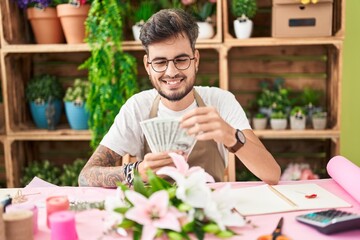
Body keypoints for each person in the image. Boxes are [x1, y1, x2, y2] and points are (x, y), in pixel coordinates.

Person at [78, 8, 281, 187]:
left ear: (196, 60)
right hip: (156, 214)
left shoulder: (220, 101)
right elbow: (86, 176)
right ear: (148, 66)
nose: (171, 71)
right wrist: (135, 172)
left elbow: (272, 174)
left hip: (210, 215)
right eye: (160, 62)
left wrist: (230, 135)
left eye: (181, 59)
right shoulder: (137, 107)